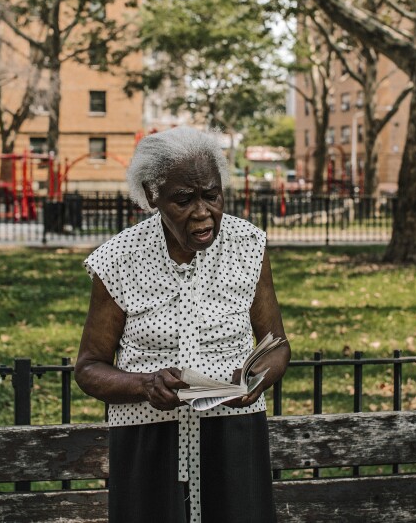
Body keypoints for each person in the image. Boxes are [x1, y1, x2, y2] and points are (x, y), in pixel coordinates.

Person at [75, 127, 290, 523]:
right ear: (151, 194)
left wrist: (256, 378)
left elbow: (276, 344)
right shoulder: (118, 259)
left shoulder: (248, 245)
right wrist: (144, 384)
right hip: (147, 441)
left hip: (233, 436)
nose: (203, 212)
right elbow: (89, 368)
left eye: (211, 194)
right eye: (184, 199)